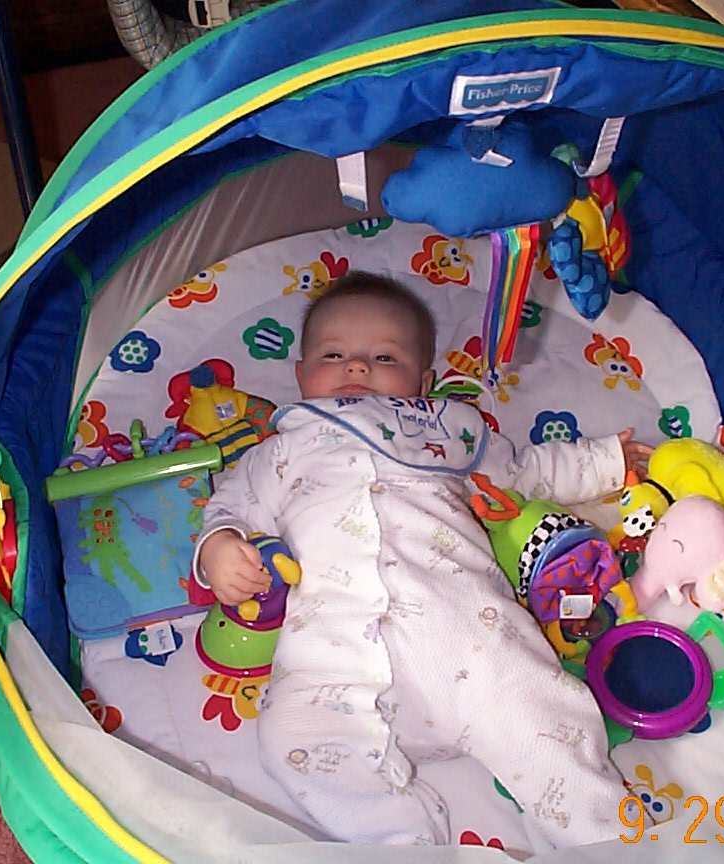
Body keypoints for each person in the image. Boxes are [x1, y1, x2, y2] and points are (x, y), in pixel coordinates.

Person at [194, 271, 651, 849]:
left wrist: (604, 461)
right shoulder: (279, 452)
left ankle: (607, 843)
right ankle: (400, 842)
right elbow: (229, 509)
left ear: (422, 382)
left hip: (472, 642)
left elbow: (525, 471)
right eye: (333, 355)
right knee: (291, 738)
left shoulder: (443, 431)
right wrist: (219, 548)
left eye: (384, 357)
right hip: (333, 657)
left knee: (547, 725)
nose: (357, 367)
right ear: (301, 375)